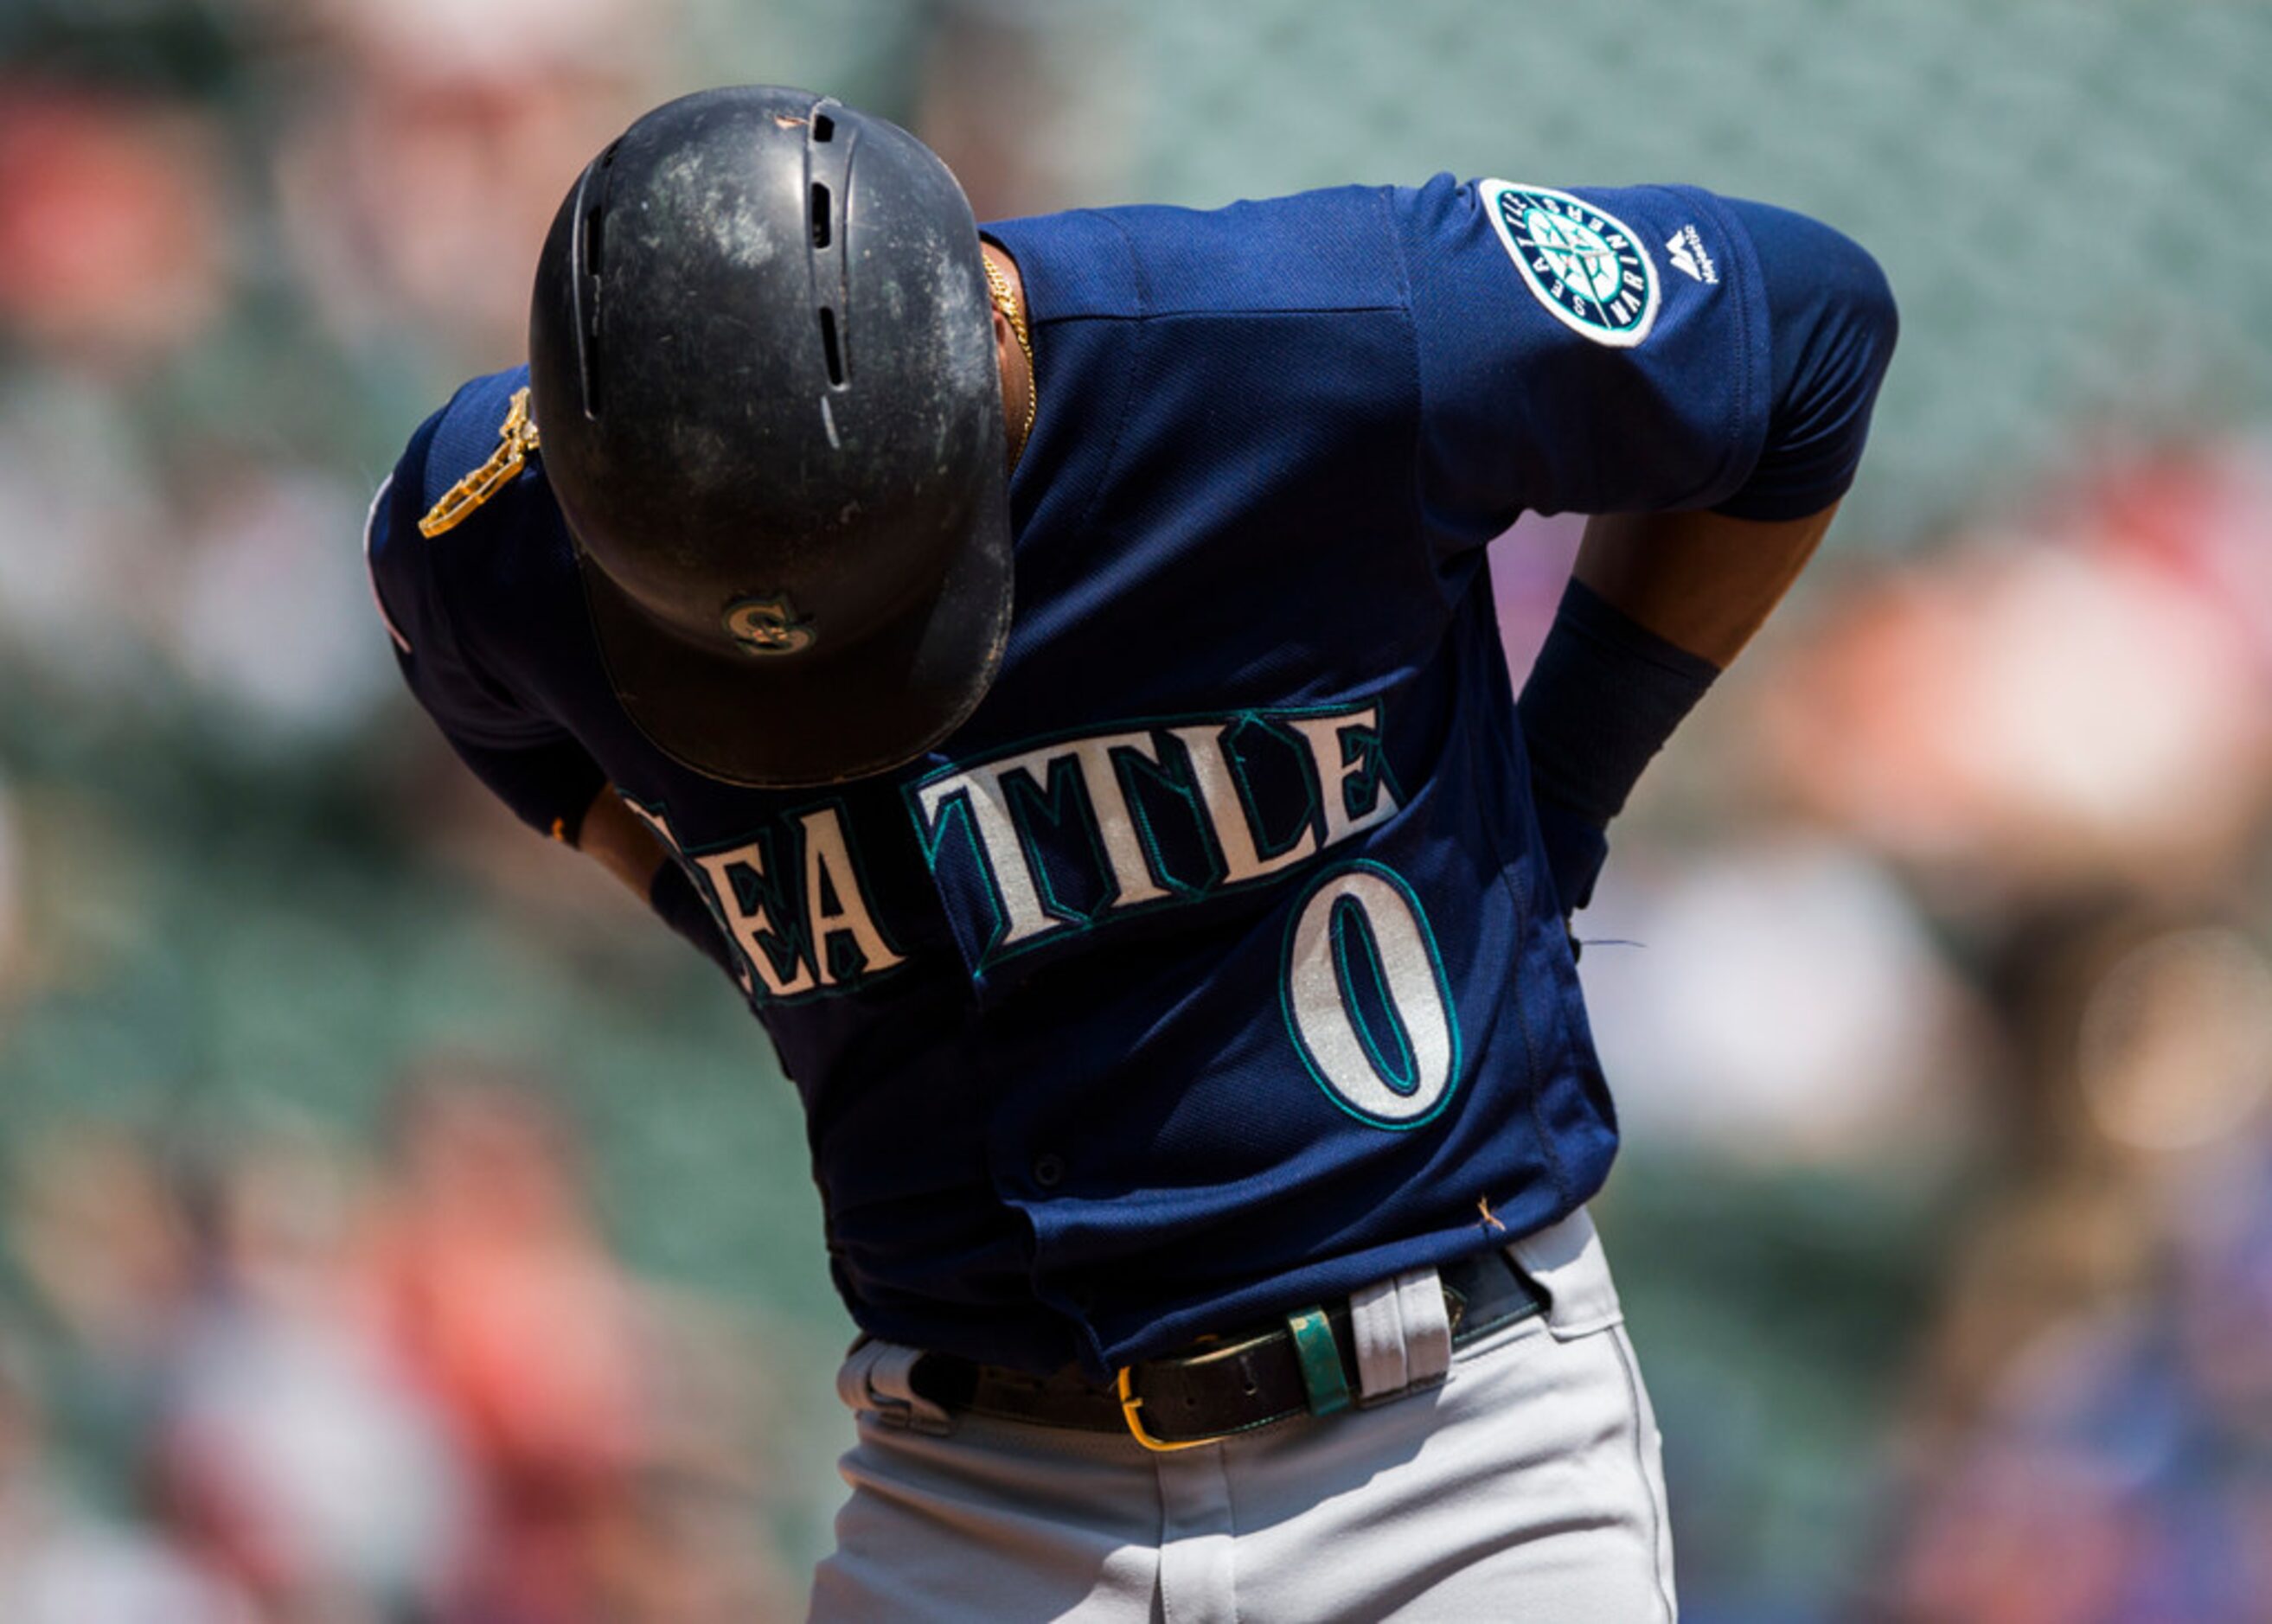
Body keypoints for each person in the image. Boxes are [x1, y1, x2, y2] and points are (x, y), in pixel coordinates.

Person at [366, 83, 1896, 1620]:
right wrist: (711, 921)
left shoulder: (1325, 339)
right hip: (965, 1497)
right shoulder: (490, 528)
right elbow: (483, 690)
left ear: (986, 349)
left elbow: (1811, 336)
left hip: (1450, 1458)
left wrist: (1561, 787)